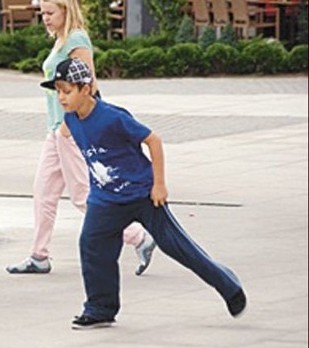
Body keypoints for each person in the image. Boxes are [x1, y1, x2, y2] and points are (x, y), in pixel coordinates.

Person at [40, 57, 247, 329]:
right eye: (58, 91)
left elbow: (153, 140)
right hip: (105, 200)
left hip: (144, 195)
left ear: (86, 89)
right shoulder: (70, 119)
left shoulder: (113, 117)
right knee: (92, 246)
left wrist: (159, 184)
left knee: (177, 247)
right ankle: (100, 308)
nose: (61, 97)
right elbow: (67, 135)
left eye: (67, 91)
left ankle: (228, 285)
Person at [6, 0, 156, 276]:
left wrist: (68, 125)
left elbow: (90, 87)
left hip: (72, 130)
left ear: (65, 10)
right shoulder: (61, 38)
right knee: (43, 192)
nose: (45, 18)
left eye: (50, 12)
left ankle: (138, 236)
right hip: (57, 130)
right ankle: (39, 256)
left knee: (83, 195)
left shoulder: (76, 39)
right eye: (43, 13)